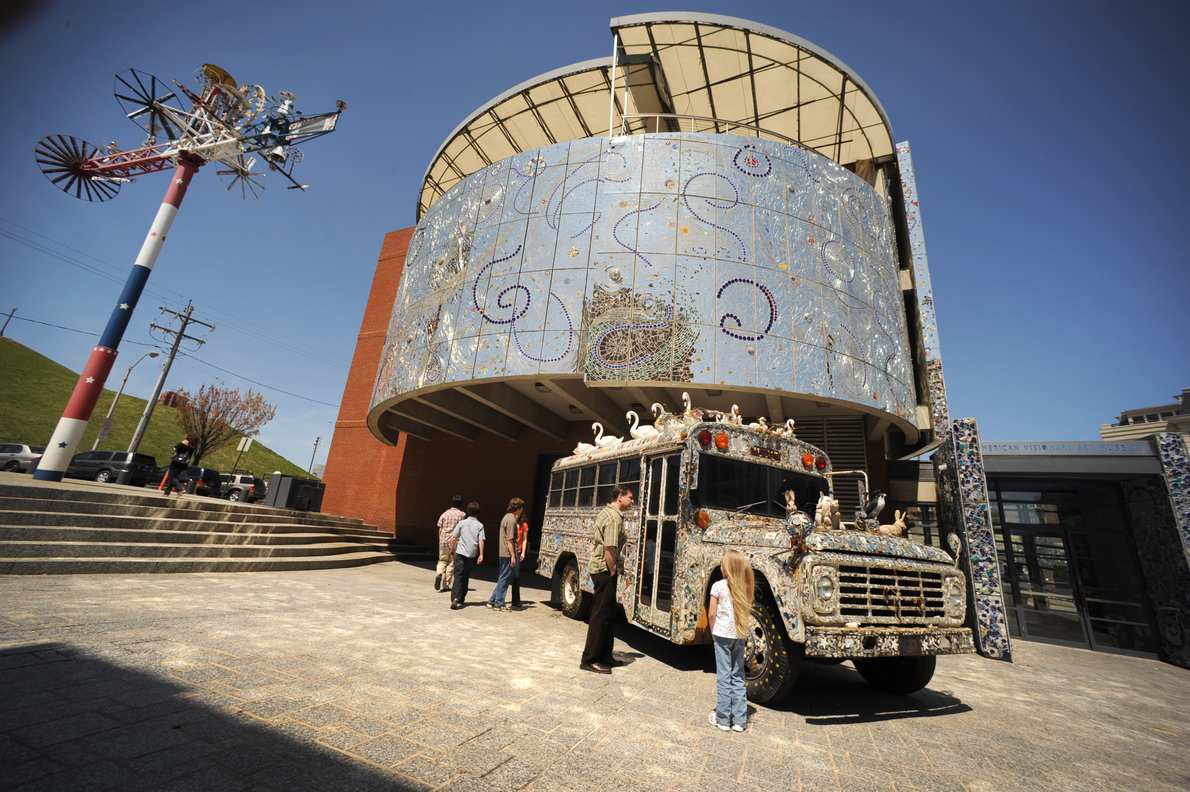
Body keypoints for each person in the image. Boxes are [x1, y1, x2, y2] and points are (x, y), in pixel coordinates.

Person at [580, 484, 635, 674]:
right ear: (620, 497)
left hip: (603, 570)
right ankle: (590, 659)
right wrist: (612, 572)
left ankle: (604, 655)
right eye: (630, 497)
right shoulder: (613, 518)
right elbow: (609, 549)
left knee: (608, 614)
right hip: (605, 571)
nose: (632, 501)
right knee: (600, 615)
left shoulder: (611, 513)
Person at [708, 549, 754, 733]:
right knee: (738, 675)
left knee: (723, 676)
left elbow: (712, 613)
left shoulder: (718, 586)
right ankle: (740, 720)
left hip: (722, 635)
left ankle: (723, 719)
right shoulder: (745, 587)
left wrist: (713, 631)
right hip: (739, 635)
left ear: (725, 567)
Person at [487, 498, 524, 612]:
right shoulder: (511, 520)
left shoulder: (505, 517)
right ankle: (499, 603)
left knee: (503, 576)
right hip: (508, 553)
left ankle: (492, 600)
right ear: (518, 508)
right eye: (521, 509)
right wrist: (513, 555)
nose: (521, 511)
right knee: (505, 577)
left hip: (503, 552)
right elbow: (510, 539)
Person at [449, 502, 484, 610]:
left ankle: (455, 597)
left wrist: (452, 548)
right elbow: (481, 540)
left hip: (460, 551)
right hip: (471, 553)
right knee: (466, 574)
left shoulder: (462, 523)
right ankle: (462, 597)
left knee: (458, 574)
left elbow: (454, 537)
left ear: (468, 511)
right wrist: (481, 554)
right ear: (478, 513)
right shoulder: (480, 525)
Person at [435, 496, 466, 592]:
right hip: (455, 541)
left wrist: (440, 539)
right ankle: (446, 585)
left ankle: (439, 573)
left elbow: (440, 528)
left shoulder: (445, 514)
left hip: (443, 540)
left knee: (442, 560)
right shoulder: (462, 515)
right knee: (451, 563)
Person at [510, 514, 529, 608]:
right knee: (504, 576)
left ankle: (516, 600)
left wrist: (523, 552)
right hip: (508, 551)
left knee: (516, 576)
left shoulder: (524, 525)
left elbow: (525, 539)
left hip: (518, 552)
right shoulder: (510, 523)